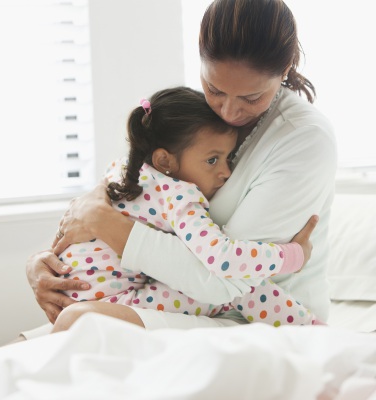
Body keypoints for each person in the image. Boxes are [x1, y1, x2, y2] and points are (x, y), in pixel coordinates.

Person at [25, 0, 336, 338]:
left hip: (254, 316)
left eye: (251, 97)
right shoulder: (193, 115)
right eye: (215, 89)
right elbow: (126, 195)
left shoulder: (303, 139)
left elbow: (225, 281)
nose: (229, 111)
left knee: (80, 326)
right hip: (159, 291)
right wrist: (47, 263)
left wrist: (105, 223)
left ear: (287, 67)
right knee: (17, 352)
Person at [51, 86, 319, 333]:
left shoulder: (122, 169)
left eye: (229, 158)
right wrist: (293, 256)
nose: (226, 172)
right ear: (164, 160)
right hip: (115, 301)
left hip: (72, 293)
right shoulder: (178, 194)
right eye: (212, 160)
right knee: (240, 287)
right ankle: (314, 331)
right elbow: (222, 258)